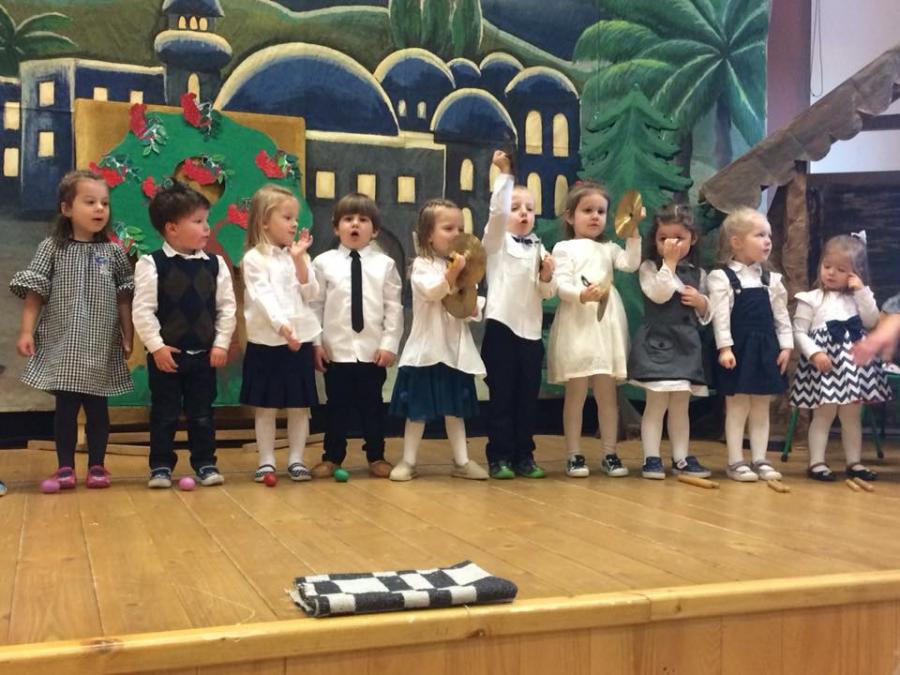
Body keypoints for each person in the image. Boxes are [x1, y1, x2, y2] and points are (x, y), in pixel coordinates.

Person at [10, 170, 134, 489]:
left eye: (104, 203)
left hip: (100, 344)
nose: (99, 209)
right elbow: (35, 292)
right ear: (66, 208)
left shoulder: (113, 252)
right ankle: (65, 466)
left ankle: (97, 465)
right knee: (66, 407)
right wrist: (26, 332)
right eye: (90, 202)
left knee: (98, 409)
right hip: (63, 343)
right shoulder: (52, 247)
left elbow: (124, 295)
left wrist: (128, 332)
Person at [133, 181, 236, 488]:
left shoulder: (216, 264)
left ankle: (205, 463)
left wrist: (221, 344)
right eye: (198, 221)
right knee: (164, 414)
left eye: (206, 220)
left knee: (202, 414)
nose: (206, 228)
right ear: (172, 228)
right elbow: (143, 311)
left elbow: (227, 308)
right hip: (167, 358)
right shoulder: (151, 264)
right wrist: (157, 347)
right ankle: (161, 466)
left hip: (203, 357)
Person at [387, 198, 489, 481]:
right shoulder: (422, 265)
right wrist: (453, 273)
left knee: (456, 410)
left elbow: (467, 307)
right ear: (428, 235)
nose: (457, 234)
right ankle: (408, 460)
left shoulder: (467, 270)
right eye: (448, 228)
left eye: (461, 228)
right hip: (427, 352)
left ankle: (462, 461)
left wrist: (472, 305)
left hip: (454, 352)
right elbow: (433, 292)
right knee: (417, 410)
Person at [547, 180, 641, 478]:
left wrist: (633, 231)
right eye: (587, 210)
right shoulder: (564, 248)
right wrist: (580, 295)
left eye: (601, 211)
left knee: (607, 393)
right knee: (575, 393)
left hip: (605, 323)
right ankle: (574, 455)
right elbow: (561, 284)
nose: (595, 217)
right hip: (577, 321)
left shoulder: (609, 248)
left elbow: (630, 263)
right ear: (569, 216)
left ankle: (610, 453)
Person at [311, 192, 403, 479]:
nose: (355, 224)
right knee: (335, 407)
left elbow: (393, 308)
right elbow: (314, 306)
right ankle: (332, 457)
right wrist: (315, 343)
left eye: (363, 220)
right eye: (348, 219)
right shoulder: (323, 263)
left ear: (374, 230)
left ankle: (376, 456)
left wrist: (389, 344)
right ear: (336, 227)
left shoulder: (385, 265)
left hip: (371, 352)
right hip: (335, 351)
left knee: (372, 407)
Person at [791, 233, 891, 481]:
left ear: (855, 273)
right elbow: (799, 332)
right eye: (827, 266)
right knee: (823, 415)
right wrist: (815, 353)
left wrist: (862, 291)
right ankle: (816, 462)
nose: (831, 273)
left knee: (852, 416)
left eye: (841, 269)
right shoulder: (811, 298)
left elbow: (871, 321)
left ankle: (854, 462)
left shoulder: (858, 298)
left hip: (853, 368)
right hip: (825, 365)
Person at [480, 150, 556, 479]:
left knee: (527, 399)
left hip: (530, 333)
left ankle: (524, 455)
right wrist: (505, 175)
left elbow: (547, 293)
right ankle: (499, 457)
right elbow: (497, 214)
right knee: (502, 397)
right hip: (502, 328)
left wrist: (547, 276)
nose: (523, 213)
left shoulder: (539, 246)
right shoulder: (496, 242)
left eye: (529, 208)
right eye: (516, 207)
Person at [240, 184, 319, 482]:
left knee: (300, 405)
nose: (294, 224)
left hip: (299, 341)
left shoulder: (298, 256)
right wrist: (282, 326)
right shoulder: (254, 258)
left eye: (295, 218)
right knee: (266, 405)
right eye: (287, 218)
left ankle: (297, 458)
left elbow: (312, 293)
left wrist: (299, 259)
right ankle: (266, 460)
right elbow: (263, 296)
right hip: (267, 342)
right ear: (264, 221)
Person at [628, 203, 712, 480]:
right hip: (658, 345)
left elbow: (706, 314)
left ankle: (681, 458)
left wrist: (701, 302)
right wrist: (670, 264)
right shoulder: (650, 267)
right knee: (656, 404)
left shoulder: (699, 274)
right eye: (663, 238)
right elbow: (659, 294)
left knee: (680, 406)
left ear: (693, 238)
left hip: (686, 346)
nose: (670, 243)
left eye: (678, 238)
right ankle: (651, 457)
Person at [707, 208, 792, 482]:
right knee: (737, 407)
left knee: (761, 407)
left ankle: (760, 459)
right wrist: (724, 348)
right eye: (760, 235)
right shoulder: (722, 278)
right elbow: (720, 318)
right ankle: (735, 461)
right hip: (738, 350)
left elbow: (781, 317)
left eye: (769, 236)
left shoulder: (771, 280)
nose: (768, 241)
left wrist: (786, 347)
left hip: (766, 350)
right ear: (736, 242)